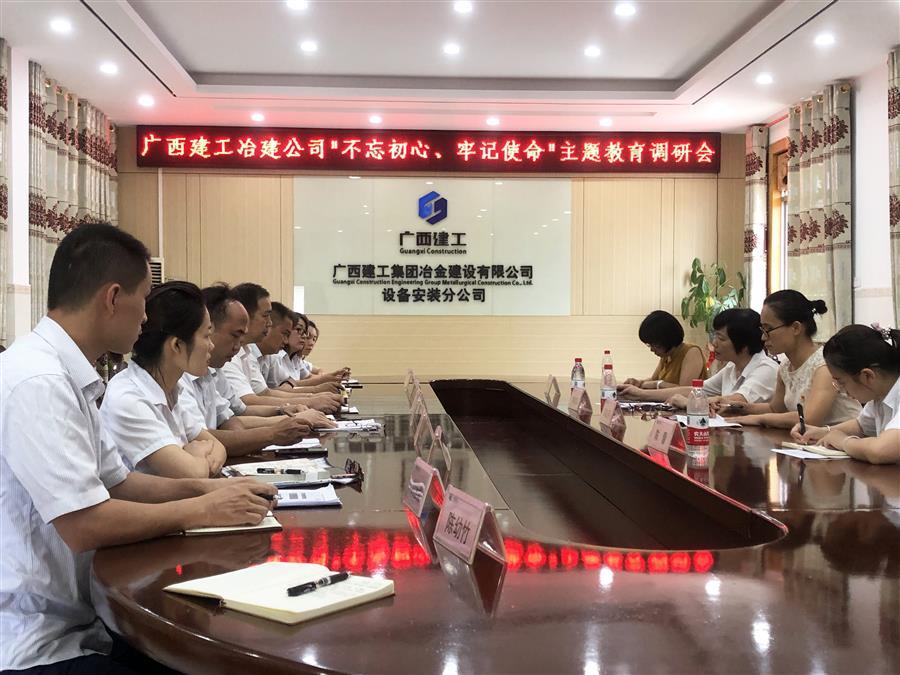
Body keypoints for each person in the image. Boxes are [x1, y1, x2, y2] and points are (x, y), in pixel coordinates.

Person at [0, 224, 275, 673]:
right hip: (39, 643)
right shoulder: (40, 381)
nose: (146, 317)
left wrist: (212, 491)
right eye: (143, 299)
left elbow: (120, 483)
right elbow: (84, 524)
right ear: (113, 298)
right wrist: (202, 509)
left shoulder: (72, 375)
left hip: (83, 618)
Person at [181, 286, 334, 455]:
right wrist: (274, 431)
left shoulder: (211, 370)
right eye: (206, 336)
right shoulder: (182, 379)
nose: (269, 323)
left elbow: (230, 419)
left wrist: (284, 415)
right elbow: (203, 439)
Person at [100, 281, 228, 478]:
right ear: (176, 345)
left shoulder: (170, 389)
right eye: (206, 336)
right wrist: (196, 454)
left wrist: (195, 457)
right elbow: (193, 473)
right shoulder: (128, 398)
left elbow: (219, 448)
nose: (211, 346)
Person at [729, 290, 860, 429]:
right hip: (811, 440)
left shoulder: (824, 366)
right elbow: (775, 409)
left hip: (845, 439)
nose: (763, 337)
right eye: (762, 330)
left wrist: (757, 419)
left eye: (768, 329)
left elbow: (809, 418)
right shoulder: (785, 366)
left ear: (796, 328)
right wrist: (736, 408)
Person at [619, 308, 778, 409]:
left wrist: (689, 403)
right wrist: (640, 393)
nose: (714, 343)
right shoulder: (732, 368)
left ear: (743, 345)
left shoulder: (765, 369)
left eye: (721, 338)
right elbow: (696, 391)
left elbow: (737, 402)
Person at [790, 325, 900, 464]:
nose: (841, 390)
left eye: (841, 382)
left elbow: (880, 451)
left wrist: (843, 441)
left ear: (867, 376)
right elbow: (862, 426)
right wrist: (823, 432)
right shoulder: (880, 394)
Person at [222, 283, 341, 406]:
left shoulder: (247, 352)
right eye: (265, 316)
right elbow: (251, 401)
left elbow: (277, 388)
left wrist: (312, 396)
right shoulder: (235, 355)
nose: (269, 323)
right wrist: (310, 399)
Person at [259, 303, 347, 389]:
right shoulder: (275, 356)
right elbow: (284, 389)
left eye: (314, 339)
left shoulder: (295, 358)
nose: (304, 337)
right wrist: (317, 390)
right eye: (299, 330)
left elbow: (302, 380)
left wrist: (331, 377)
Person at [619, 310, 708, 390]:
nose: (652, 350)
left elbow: (684, 389)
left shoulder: (692, 352)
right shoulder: (667, 355)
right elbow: (653, 380)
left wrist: (657, 384)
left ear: (666, 339)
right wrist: (638, 383)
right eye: (649, 345)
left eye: (654, 345)